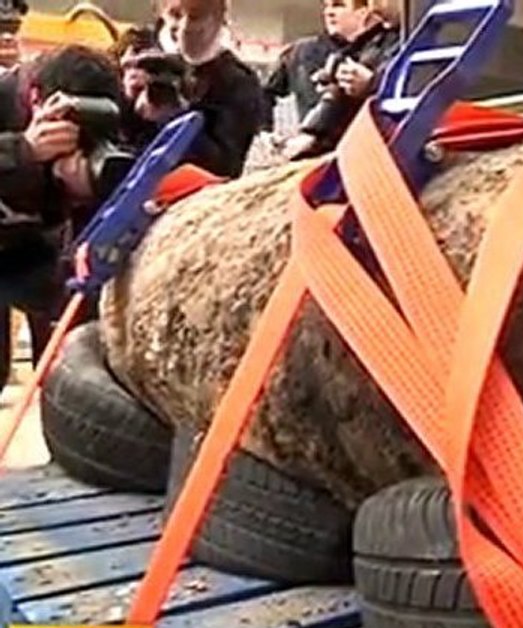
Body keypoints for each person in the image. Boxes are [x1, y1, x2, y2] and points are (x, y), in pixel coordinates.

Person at [0, 45, 123, 374]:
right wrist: (22, 152)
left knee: (64, 363)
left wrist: (86, 195)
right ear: (36, 98)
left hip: (32, 257)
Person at [130, 0, 264, 179]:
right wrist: (129, 98)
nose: (183, 26)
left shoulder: (237, 81)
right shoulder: (148, 63)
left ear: (218, 19)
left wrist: (178, 119)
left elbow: (225, 165)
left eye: (195, 17)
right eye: (175, 15)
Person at [281, 0, 401, 160]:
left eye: (338, 5)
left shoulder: (431, 33)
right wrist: (313, 132)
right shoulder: (374, 42)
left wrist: (373, 84)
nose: (374, 6)